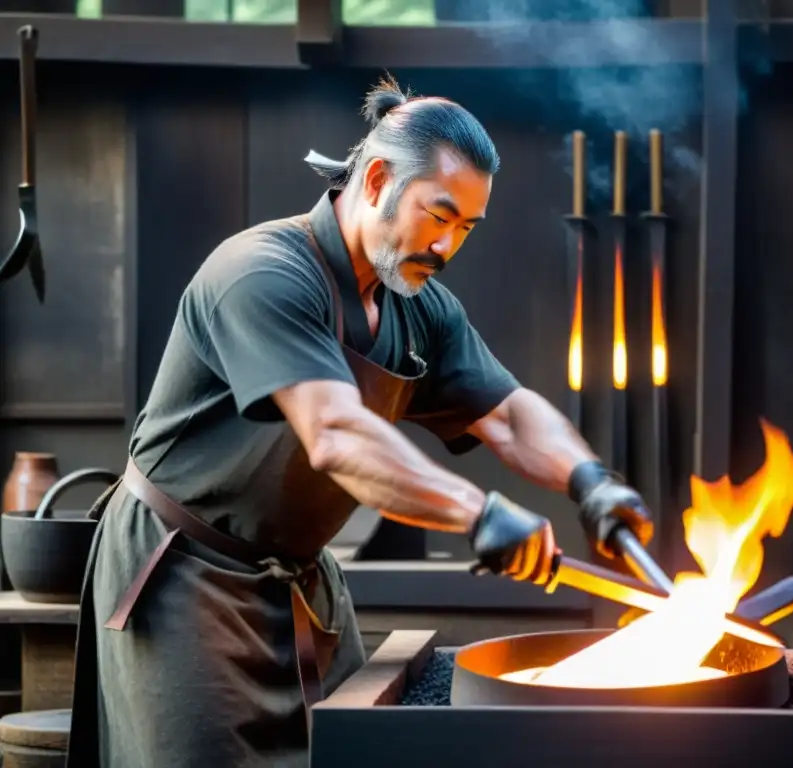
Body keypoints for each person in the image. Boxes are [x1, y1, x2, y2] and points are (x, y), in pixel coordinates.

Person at [65, 75, 655, 768]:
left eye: (465, 227)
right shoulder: (262, 273)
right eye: (439, 216)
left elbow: (509, 414)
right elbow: (336, 433)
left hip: (301, 586)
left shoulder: (418, 305)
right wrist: (478, 513)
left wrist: (591, 483)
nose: (448, 246)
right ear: (376, 179)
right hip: (187, 581)